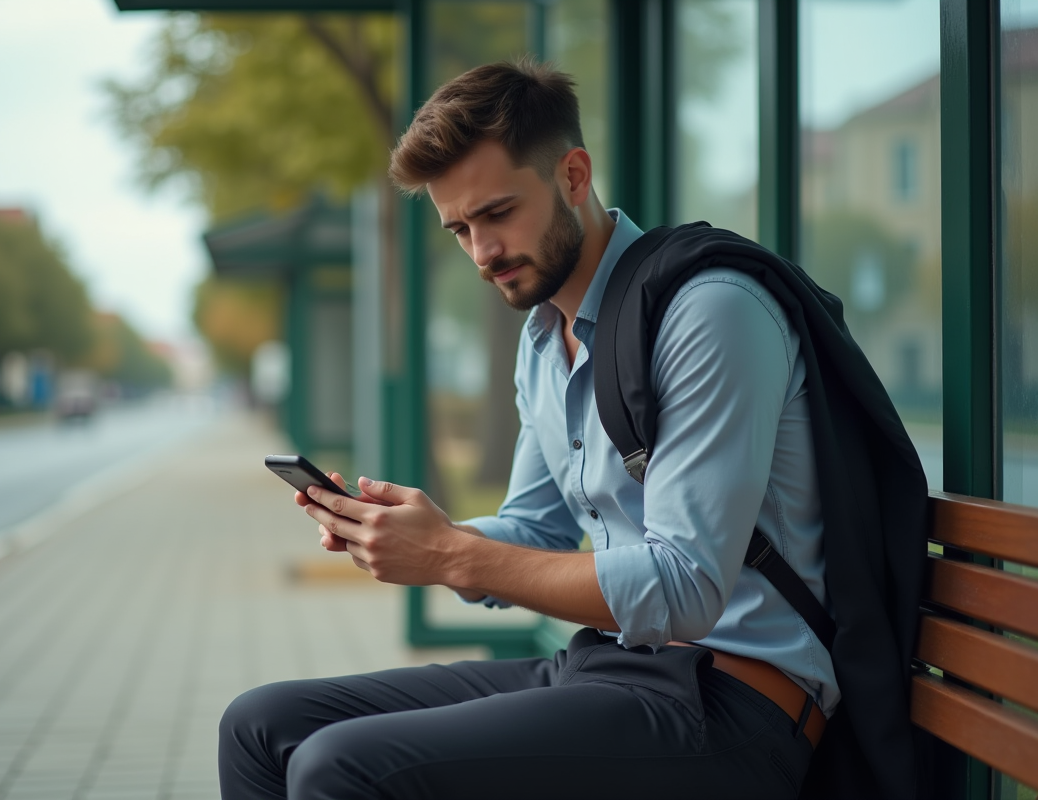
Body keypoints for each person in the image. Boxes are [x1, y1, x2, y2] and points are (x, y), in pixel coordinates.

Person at [219, 57, 834, 800]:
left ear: (574, 175)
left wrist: (453, 557)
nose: (482, 253)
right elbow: (535, 530)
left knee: (340, 768)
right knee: (260, 724)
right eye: (459, 229)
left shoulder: (708, 311)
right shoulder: (545, 339)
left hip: (737, 705)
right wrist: (420, 535)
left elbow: (685, 587)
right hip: (611, 668)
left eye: (498, 213)